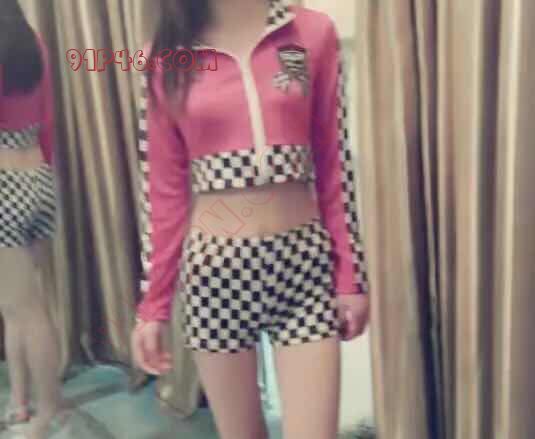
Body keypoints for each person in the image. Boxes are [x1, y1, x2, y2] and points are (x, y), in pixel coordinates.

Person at [131, 1, 370, 438]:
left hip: (303, 268)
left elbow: (333, 161)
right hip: (215, 276)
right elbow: (163, 192)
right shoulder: (165, 56)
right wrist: (153, 306)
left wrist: (349, 277)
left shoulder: (310, 33)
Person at [0, 2, 68, 438]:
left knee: (25, 309)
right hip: (38, 177)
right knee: (18, 304)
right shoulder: (35, 44)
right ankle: (21, 400)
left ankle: (48, 414)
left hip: (4, 184)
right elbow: (47, 120)